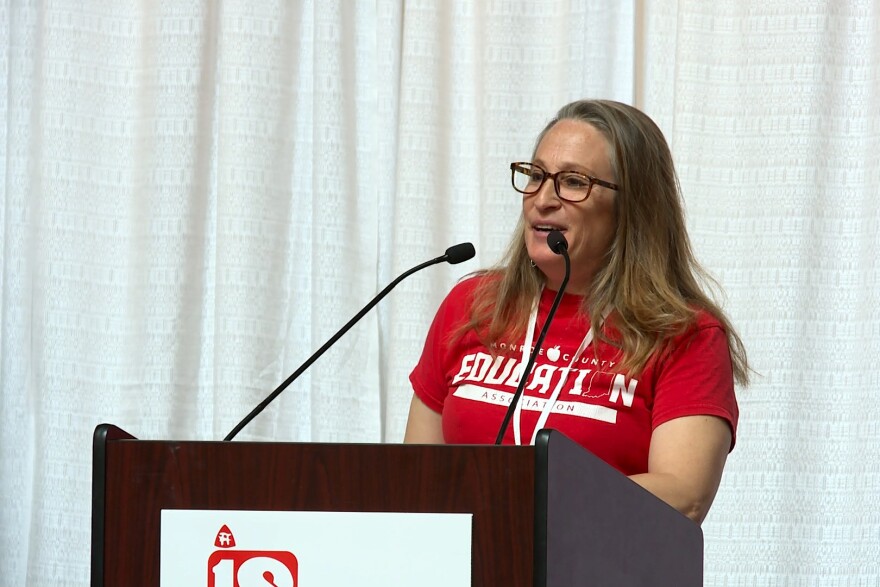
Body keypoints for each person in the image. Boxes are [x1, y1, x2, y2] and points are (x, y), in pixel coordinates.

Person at [403, 99, 749, 525]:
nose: (543, 199)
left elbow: (682, 495)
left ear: (633, 206)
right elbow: (414, 480)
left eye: (572, 181)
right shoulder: (472, 306)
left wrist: (524, 496)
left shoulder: (685, 334)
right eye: (535, 175)